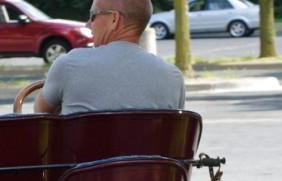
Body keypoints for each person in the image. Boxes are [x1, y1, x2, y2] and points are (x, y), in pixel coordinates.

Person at [34, 0, 185, 115]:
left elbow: (41, 116)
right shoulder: (174, 77)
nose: (88, 25)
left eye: (93, 16)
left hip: (85, 157)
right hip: (149, 157)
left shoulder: (69, 66)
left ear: (114, 19)